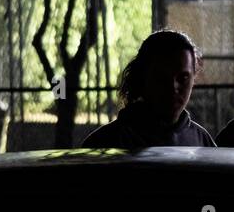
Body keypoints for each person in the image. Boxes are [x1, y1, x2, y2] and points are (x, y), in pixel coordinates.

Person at [82, 29, 216, 149]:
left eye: (183, 78)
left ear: (194, 78)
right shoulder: (105, 143)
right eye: (161, 78)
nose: (173, 87)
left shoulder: (202, 141)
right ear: (142, 78)